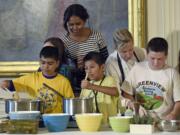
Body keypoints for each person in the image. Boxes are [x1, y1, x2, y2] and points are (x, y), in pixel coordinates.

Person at [0, 46, 74, 113]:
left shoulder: (63, 81)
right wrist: (6, 83)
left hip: (56, 118)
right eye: (43, 63)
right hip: (36, 118)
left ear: (57, 63)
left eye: (50, 63)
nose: (46, 66)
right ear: (39, 61)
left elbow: (70, 103)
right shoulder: (32, 78)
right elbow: (13, 85)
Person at [121, 37, 180, 120]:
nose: (155, 63)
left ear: (166, 56)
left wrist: (173, 114)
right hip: (141, 120)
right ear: (147, 54)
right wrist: (135, 105)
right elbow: (126, 93)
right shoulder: (137, 68)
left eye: (160, 59)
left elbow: (178, 100)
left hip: (163, 122)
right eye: (152, 58)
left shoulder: (172, 73)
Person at [61, 4, 109, 94]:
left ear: (85, 21)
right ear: (66, 23)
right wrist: (76, 66)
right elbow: (64, 67)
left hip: (99, 84)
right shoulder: (65, 41)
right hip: (76, 87)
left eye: (78, 24)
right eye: (71, 24)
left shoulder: (96, 35)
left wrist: (91, 62)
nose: (75, 27)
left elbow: (106, 58)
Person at [80, 51, 119, 124]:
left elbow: (115, 92)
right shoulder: (86, 86)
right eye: (86, 68)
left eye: (92, 67)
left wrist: (91, 86)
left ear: (102, 67)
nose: (88, 71)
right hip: (92, 124)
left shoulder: (109, 80)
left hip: (109, 125)